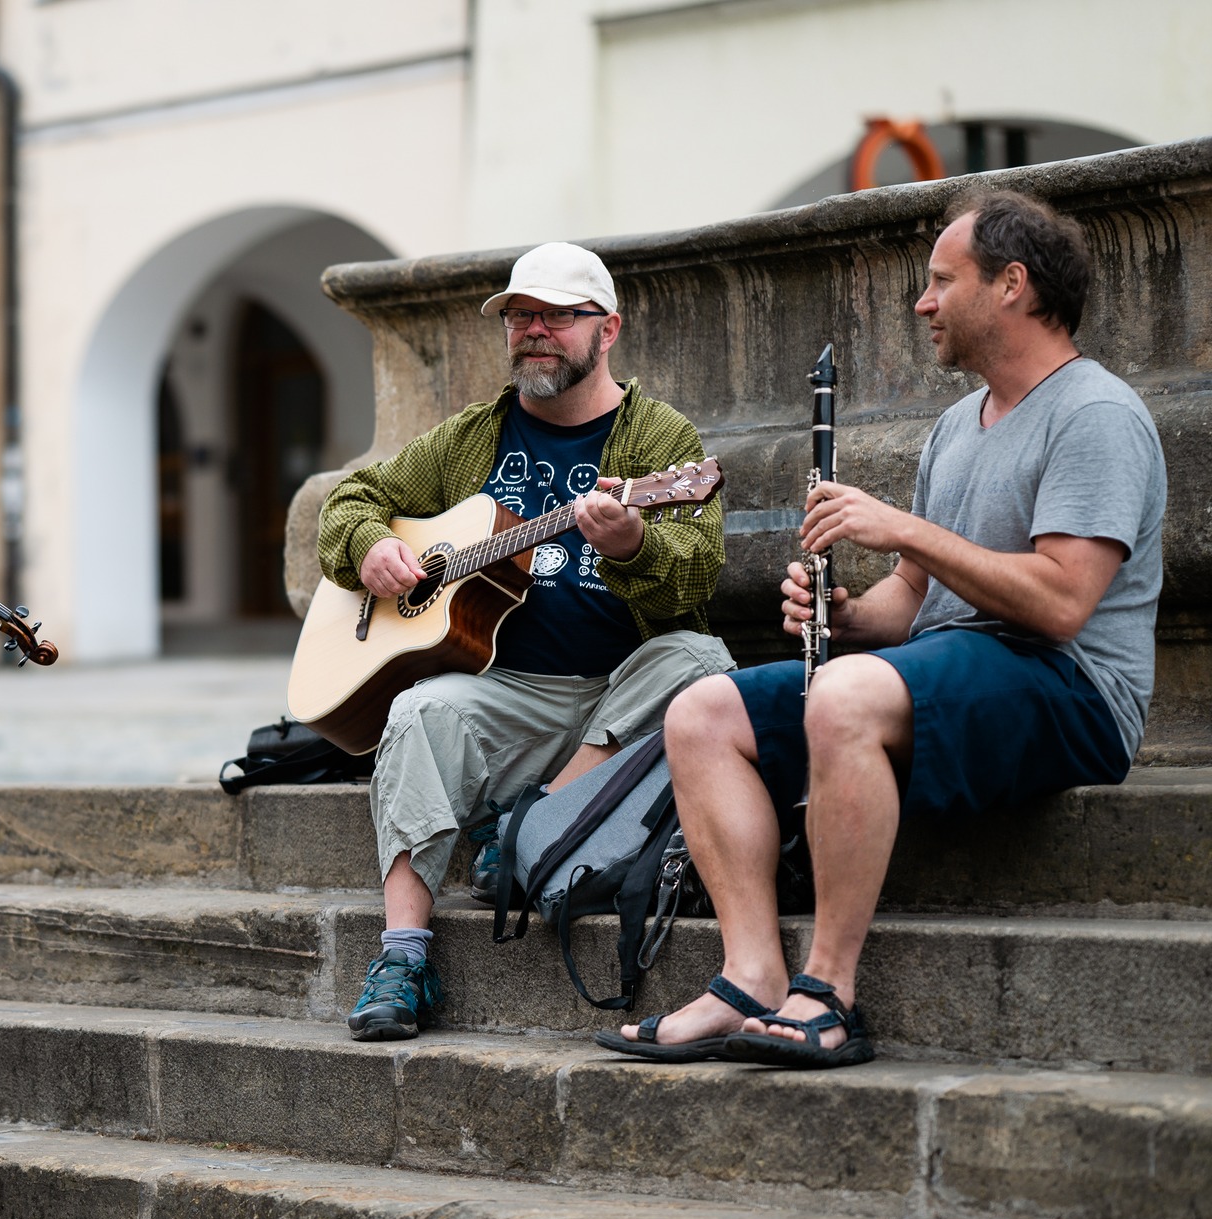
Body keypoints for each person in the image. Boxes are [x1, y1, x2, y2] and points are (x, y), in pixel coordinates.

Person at [603, 190, 1164, 1067]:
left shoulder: (1095, 414)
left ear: (1012, 285)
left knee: (846, 695)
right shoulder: (955, 425)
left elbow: (1062, 603)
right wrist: (842, 614)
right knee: (700, 712)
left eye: (942, 280)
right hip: (953, 664)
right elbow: (910, 601)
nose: (922, 302)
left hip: (1072, 688)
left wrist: (899, 526)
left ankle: (827, 992)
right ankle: (749, 975)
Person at [317, 241, 732, 1042]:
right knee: (417, 712)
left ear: (606, 329)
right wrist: (367, 544)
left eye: (554, 317)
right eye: (518, 315)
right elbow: (353, 497)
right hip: (505, 695)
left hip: (618, 701)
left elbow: (697, 577)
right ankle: (403, 955)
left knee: (703, 663)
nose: (532, 331)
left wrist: (632, 546)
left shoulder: (659, 440)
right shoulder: (473, 438)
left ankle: (527, 828)